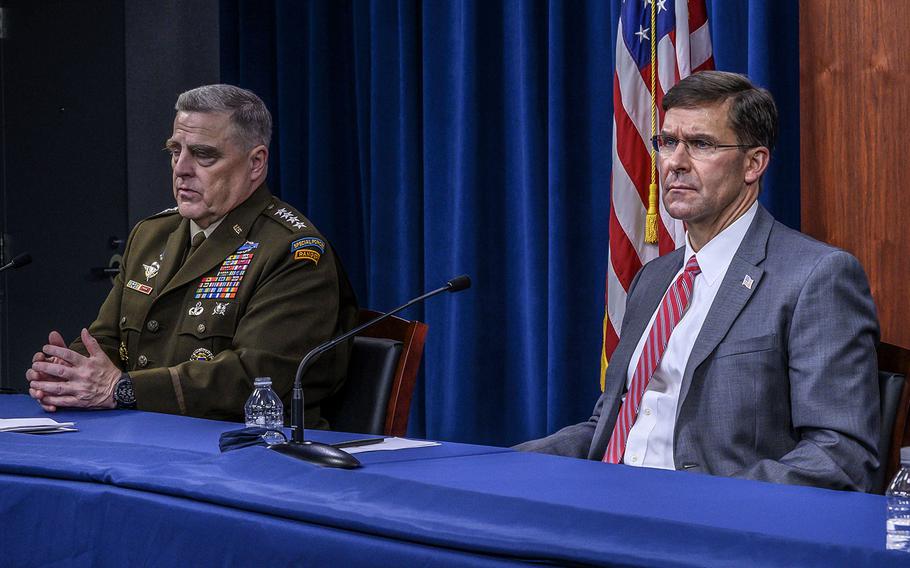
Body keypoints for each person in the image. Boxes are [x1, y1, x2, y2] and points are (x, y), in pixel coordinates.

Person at [516, 71, 880, 492]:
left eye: (701, 144)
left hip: (709, 526)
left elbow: (840, 457)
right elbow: (610, 428)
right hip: (607, 503)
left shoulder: (816, 277)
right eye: (668, 142)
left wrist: (702, 504)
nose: (676, 162)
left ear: (753, 164)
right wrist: (506, 464)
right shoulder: (653, 279)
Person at [26, 84, 358, 428]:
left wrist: (121, 389)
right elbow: (108, 341)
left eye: (203, 155)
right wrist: (67, 372)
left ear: (256, 163)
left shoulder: (292, 251)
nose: (181, 168)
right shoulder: (150, 235)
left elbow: (255, 376)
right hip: (143, 433)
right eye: (175, 151)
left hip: (246, 448)